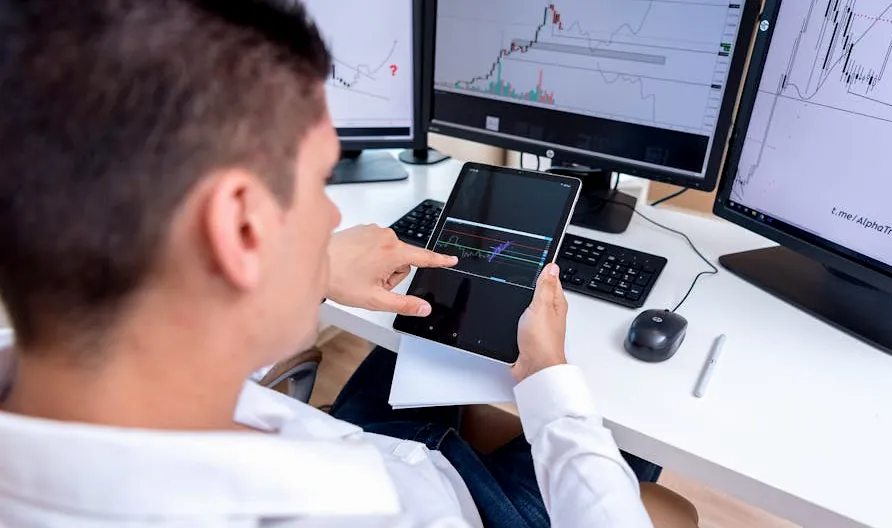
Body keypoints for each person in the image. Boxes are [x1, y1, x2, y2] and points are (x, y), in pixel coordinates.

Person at [0, 0, 658, 526]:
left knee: (428, 322)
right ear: (241, 226)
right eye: (319, 183)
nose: (333, 218)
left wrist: (305, 273)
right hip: (466, 505)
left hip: (365, 445)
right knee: (643, 422)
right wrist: (549, 383)